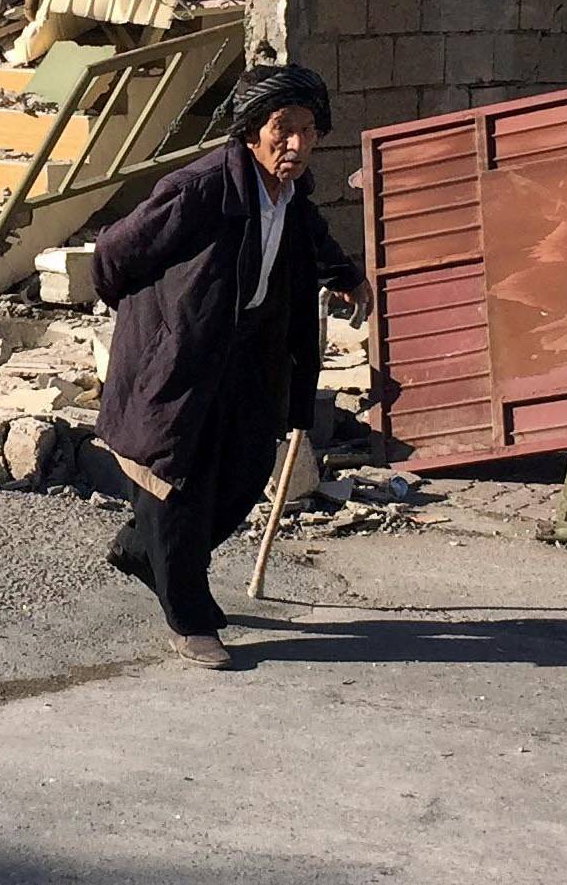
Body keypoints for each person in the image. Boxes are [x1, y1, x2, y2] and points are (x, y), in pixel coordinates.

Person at [92, 63, 372, 669]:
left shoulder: (293, 194)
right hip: (182, 355)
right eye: (282, 129)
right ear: (250, 131)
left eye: (307, 130)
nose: (296, 143)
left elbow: (311, 237)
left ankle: (147, 554)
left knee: (245, 474)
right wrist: (157, 323)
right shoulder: (198, 189)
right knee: (176, 484)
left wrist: (344, 273)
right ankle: (189, 617)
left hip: (249, 354)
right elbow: (114, 254)